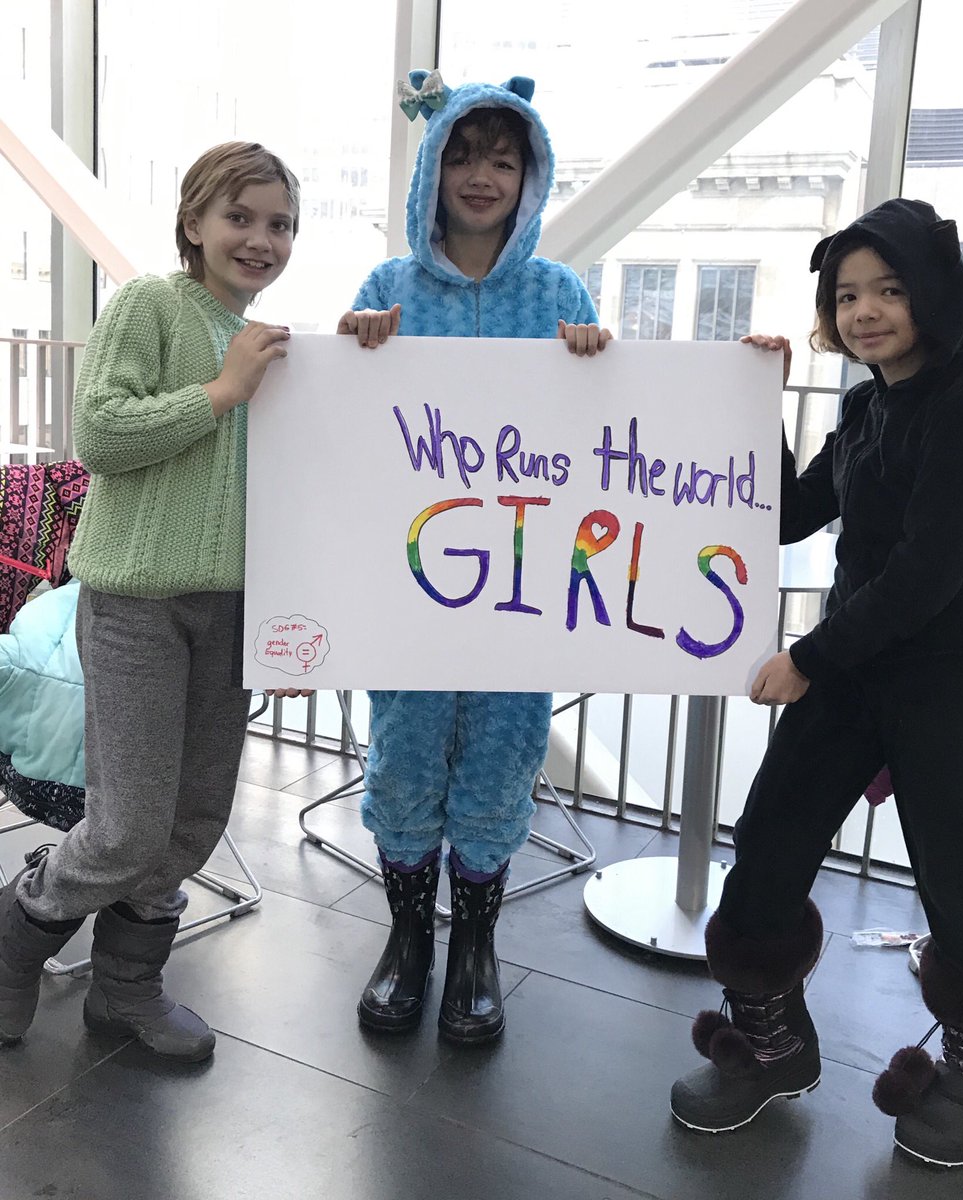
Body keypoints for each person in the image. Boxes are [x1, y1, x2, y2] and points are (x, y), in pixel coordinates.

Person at [670, 198, 963, 1170]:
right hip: (851, 668)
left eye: (888, 288)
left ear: (933, 293)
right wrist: (749, 407)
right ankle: (771, 1043)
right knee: (765, 842)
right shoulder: (859, 407)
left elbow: (930, 574)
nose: (865, 310)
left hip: (944, 674)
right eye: (846, 294)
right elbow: (788, 515)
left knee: (961, 881)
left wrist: (804, 656)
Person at [0, 141, 300, 1062]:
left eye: (279, 223)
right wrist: (223, 391)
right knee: (128, 825)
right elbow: (99, 432)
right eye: (239, 217)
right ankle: (19, 932)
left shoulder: (271, 344)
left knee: (194, 819)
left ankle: (126, 990)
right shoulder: (151, 306)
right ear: (195, 223)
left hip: (233, 610)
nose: (259, 238)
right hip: (135, 604)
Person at [337, 70, 611, 1044]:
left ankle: (474, 952)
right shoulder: (386, 287)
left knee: (502, 757)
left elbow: (603, 436)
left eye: (503, 157)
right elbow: (343, 426)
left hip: (524, 591)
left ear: (530, 173)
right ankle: (407, 941)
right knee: (404, 754)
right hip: (411, 586)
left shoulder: (559, 290)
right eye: (462, 154)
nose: (482, 175)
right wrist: (356, 348)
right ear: (431, 168)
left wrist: (597, 359)